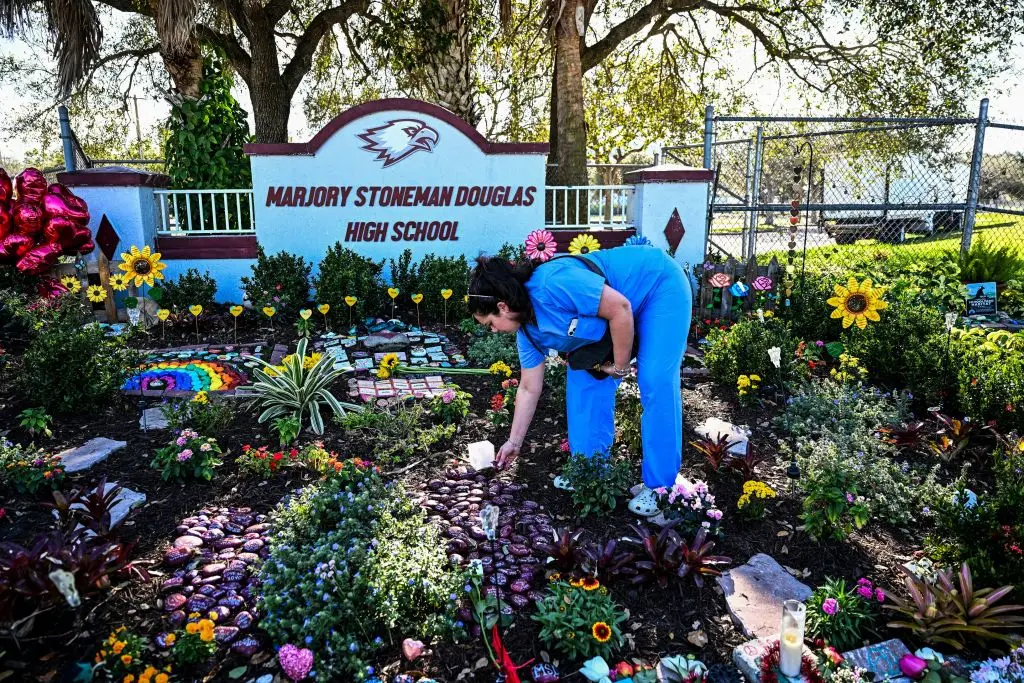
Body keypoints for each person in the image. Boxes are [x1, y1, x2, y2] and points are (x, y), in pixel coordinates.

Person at [467, 244, 693, 516]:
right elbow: (528, 387)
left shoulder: (553, 283)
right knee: (584, 380)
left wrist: (620, 368)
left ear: (502, 306)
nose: (492, 331)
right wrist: (514, 442)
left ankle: (661, 488)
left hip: (657, 287)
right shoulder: (527, 333)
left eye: (490, 323)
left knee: (655, 380)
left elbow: (620, 308)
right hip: (616, 317)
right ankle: (590, 471)